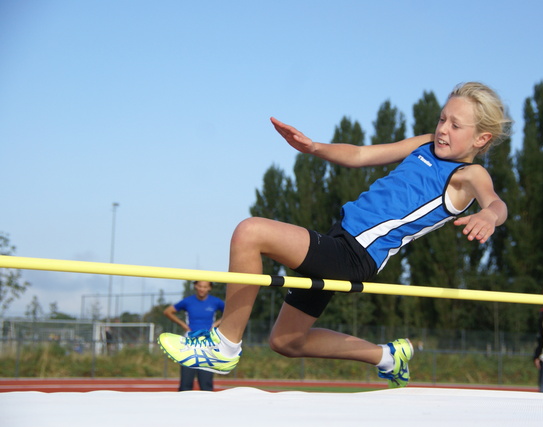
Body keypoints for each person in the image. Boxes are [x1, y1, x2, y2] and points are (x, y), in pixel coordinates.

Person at [159, 82, 512, 388]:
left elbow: (497, 204)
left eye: (455, 124)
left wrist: (488, 216)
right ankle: (387, 357)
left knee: (250, 233)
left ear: (482, 138)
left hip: (357, 254)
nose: (443, 129)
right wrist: (314, 147)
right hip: (338, 238)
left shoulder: (470, 175)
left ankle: (224, 345)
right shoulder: (425, 145)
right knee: (286, 340)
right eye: (441, 119)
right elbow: (360, 155)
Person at [163, 280, 225, 391]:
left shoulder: (216, 302)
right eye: (200, 286)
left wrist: (216, 324)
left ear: (210, 288)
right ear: (195, 286)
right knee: (186, 384)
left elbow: (230, 312)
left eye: (205, 287)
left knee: (206, 384)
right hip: (189, 345)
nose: (202, 289)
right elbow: (168, 311)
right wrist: (183, 324)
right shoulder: (188, 301)